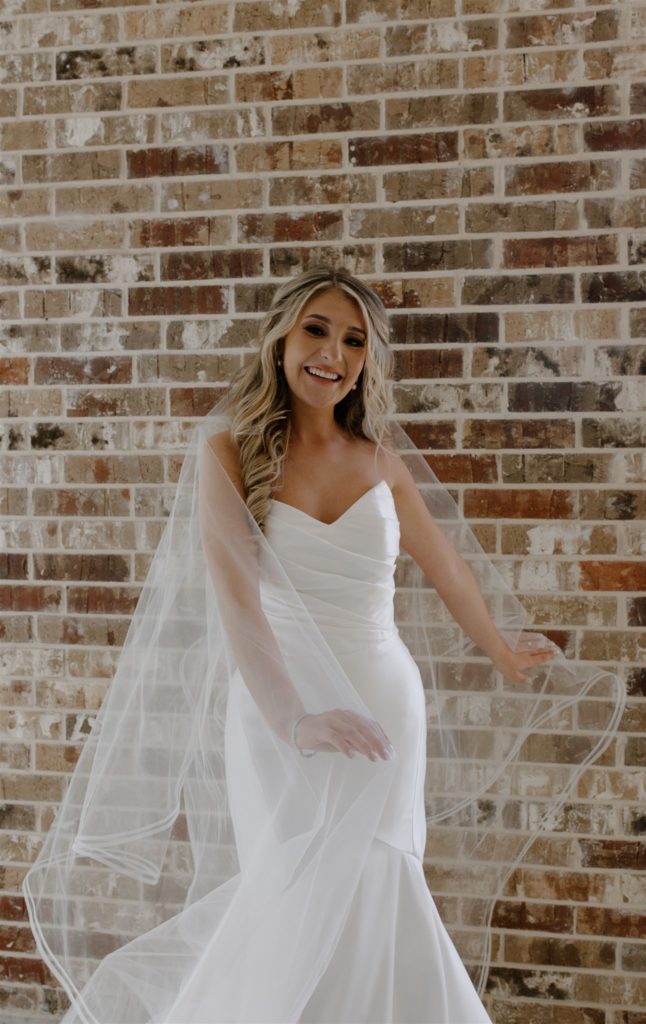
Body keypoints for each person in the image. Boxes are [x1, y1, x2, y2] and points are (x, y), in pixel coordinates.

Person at [22, 265, 624, 1024]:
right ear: (281, 339)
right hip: (277, 709)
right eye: (317, 330)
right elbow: (239, 604)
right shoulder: (227, 454)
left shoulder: (381, 464)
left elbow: (449, 570)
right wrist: (294, 721)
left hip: (381, 696)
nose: (332, 354)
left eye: (353, 340)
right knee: (288, 886)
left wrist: (502, 649)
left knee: (380, 879)